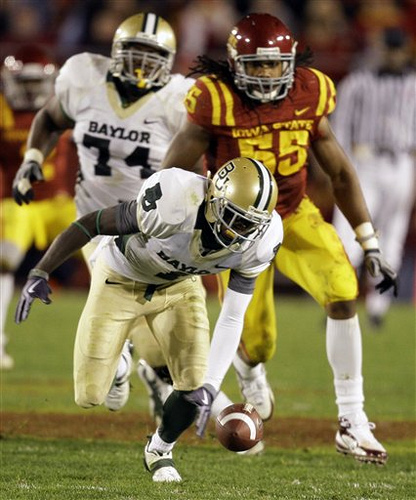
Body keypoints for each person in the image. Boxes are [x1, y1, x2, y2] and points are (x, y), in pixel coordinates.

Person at [160, 13, 398, 465]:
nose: (268, 74)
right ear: (235, 63)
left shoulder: (310, 91)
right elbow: (171, 175)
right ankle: (251, 375)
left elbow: (340, 170)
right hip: (235, 229)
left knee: (344, 291)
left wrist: (368, 239)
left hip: (293, 213)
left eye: (275, 64)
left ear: (289, 62)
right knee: (259, 341)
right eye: (257, 64)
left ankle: (353, 421)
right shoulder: (216, 98)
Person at [14, 157, 283, 482]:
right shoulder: (175, 199)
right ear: (213, 197)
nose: (237, 232)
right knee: (90, 396)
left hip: (180, 288)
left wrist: (212, 385)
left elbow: (233, 315)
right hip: (121, 278)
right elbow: (92, 223)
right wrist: (41, 270)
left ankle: (159, 450)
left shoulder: (262, 243)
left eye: (248, 225)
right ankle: (121, 365)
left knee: (195, 383)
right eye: (232, 218)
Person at [11, 12, 197, 412]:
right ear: (115, 52)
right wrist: (31, 159)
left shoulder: (178, 101)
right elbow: (48, 118)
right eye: (135, 53)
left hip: (153, 228)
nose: (143, 64)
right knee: (117, 302)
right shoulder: (85, 80)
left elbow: (195, 169)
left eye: (154, 56)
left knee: (159, 343)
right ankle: (119, 363)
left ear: (170, 60)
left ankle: (141, 367)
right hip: (94, 223)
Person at [331, 26, 416, 328]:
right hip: (364, 162)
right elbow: (339, 129)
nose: (392, 54)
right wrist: (343, 167)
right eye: (388, 48)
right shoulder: (357, 83)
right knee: (348, 233)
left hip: (402, 163)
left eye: (397, 48)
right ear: (378, 48)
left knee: (391, 237)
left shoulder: (413, 84)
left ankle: (377, 308)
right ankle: (340, 300)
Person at [0, 44, 77, 370]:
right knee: (5, 259)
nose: (31, 90)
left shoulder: (64, 106)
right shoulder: (3, 111)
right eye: (25, 83)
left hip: (59, 202)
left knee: (109, 256)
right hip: (17, 201)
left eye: (36, 83)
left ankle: (125, 346)